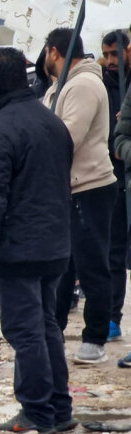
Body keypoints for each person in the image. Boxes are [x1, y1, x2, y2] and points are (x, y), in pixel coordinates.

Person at [0, 48, 74, 434]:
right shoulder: (51, 121)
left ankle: (38, 412)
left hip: (18, 249)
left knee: (26, 331)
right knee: (46, 326)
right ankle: (58, 409)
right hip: (53, 243)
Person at [43, 28, 116, 364]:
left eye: (46, 53)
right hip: (65, 188)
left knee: (92, 265)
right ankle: (52, 329)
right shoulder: (62, 85)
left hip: (89, 186)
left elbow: (66, 136)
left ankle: (95, 337)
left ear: (55, 51)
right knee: (61, 265)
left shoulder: (84, 85)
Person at [101, 31, 131, 343]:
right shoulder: (101, 84)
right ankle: (112, 316)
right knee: (114, 252)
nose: (110, 61)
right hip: (114, 179)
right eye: (106, 54)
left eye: (115, 54)